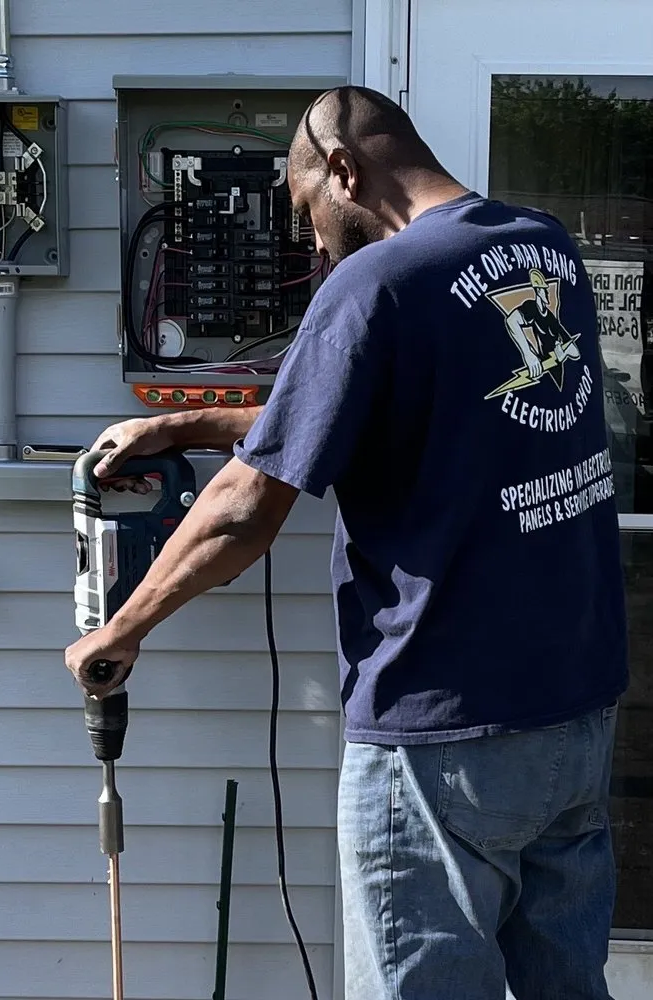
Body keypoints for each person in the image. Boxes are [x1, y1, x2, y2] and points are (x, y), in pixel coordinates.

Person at [65, 86, 628, 1000]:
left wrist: (118, 632)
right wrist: (187, 423)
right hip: (575, 713)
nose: (313, 243)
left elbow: (244, 512)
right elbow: (373, 407)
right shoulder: (542, 245)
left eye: (307, 212)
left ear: (343, 170)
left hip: (443, 735)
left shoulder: (376, 284)